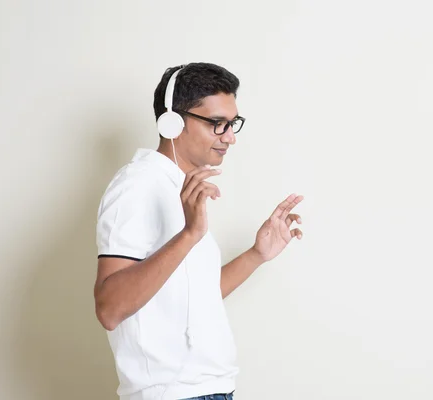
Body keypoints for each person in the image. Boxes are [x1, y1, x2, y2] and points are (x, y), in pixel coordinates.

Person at [94, 62, 304, 400]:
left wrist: (256, 255)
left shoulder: (180, 186)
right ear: (172, 121)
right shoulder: (136, 186)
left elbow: (194, 296)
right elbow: (109, 308)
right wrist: (189, 234)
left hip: (211, 390)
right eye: (217, 125)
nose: (230, 137)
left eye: (232, 124)